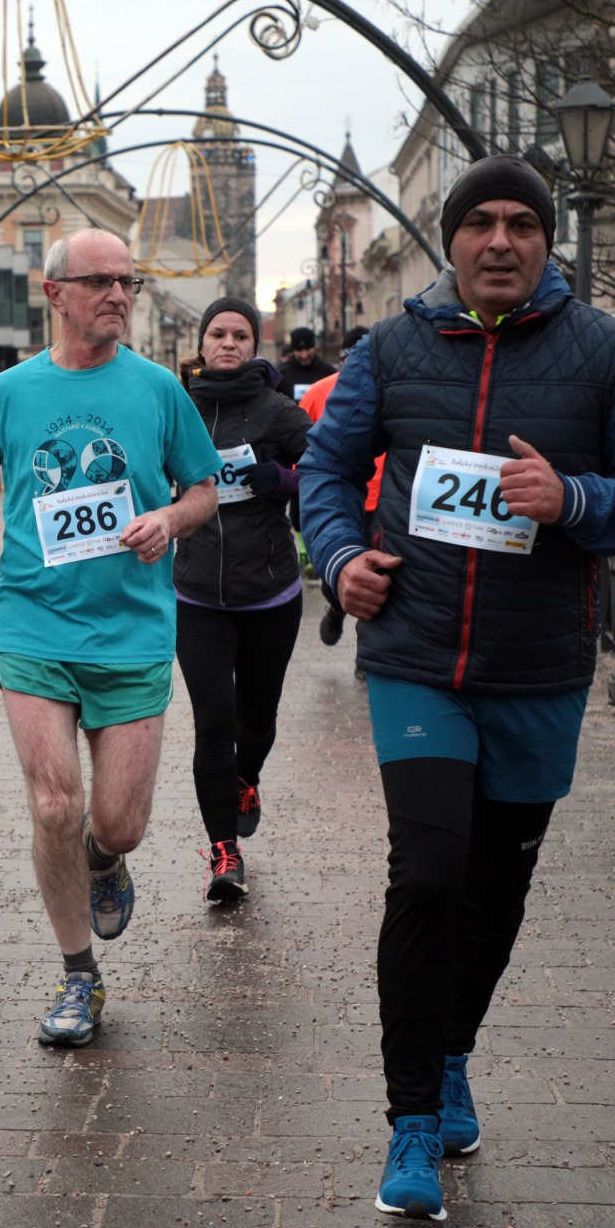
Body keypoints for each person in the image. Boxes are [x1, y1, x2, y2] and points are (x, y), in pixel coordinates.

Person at [298, 154, 615, 1221]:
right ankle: (412, 1117)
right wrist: (340, 557)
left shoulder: (604, 352)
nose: (502, 240)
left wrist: (572, 498)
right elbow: (327, 471)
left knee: (493, 892)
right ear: (453, 239)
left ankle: (452, 1051)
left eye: (523, 222)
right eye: (482, 223)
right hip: (416, 655)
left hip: (536, 666)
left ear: (546, 241)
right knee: (428, 873)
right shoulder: (391, 348)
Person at [0, 229, 223, 1047]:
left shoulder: (158, 389)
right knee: (54, 802)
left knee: (119, 822)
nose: (119, 295)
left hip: (133, 628)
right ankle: (78, 976)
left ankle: (104, 857)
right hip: (33, 620)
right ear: (55, 293)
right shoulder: (11, 391)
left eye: (128, 281)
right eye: (100, 281)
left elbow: (205, 489)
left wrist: (169, 517)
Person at [172, 296, 313, 901]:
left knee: (256, 721)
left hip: (269, 594)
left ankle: (247, 777)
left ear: (255, 346)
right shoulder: (177, 407)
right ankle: (224, 853)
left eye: (240, 335)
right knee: (213, 723)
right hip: (198, 594)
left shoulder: (278, 411)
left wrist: (283, 480)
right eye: (217, 333)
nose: (228, 343)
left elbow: (331, 470)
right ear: (202, 344)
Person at [299, 325, 375, 648]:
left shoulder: (393, 387)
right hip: (338, 499)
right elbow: (303, 448)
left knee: (379, 583)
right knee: (338, 574)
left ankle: (364, 656)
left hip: (384, 501)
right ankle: (335, 607)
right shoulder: (318, 391)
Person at [275, 326, 335, 399]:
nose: (304, 355)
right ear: (293, 351)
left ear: (314, 348)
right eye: (299, 351)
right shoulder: (281, 375)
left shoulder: (328, 373)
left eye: (308, 349)